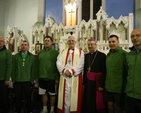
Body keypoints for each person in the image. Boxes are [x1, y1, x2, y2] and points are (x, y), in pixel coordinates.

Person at [56, 35, 84, 113]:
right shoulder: (62, 52)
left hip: (74, 77)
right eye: (69, 41)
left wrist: (71, 71)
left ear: (75, 42)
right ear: (67, 42)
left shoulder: (80, 52)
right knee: (65, 97)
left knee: (73, 97)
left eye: (72, 41)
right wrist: (64, 70)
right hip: (64, 77)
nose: (71, 42)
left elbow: (81, 65)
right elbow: (58, 62)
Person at [82, 38, 106, 113]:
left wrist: (102, 85)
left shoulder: (102, 56)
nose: (90, 46)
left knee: (96, 100)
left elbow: (104, 71)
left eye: (92, 44)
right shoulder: (85, 56)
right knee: (87, 99)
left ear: (95, 45)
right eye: (88, 44)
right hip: (88, 82)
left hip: (97, 82)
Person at [36, 36, 59, 113]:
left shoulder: (56, 53)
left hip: (52, 77)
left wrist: (57, 78)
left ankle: (52, 109)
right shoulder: (40, 53)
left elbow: (58, 66)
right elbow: (37, 65)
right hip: (42, 77)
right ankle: (45, 108)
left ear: (51, 43)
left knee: (52, 94)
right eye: (45, 41)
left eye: (48, 41)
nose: (46, 42)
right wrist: (37, 76)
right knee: (43, 94)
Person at [11, 40, 35, 113]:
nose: (24, 46)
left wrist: (32, 79)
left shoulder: (31, 57)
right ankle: (17, 110)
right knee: (17, 97)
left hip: (27, 81)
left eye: (25, 45)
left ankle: (29, 110)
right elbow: (13, 68)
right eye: (22, 45)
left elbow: (33, 69)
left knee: (28, 97)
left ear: (28, 46)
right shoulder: (16, 56)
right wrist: (13, 79)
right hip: (17, 80)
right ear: (20, 46)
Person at [105, 35, 127, 113]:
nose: (111, 43)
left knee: (121, 109)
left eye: (113, 41)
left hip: (119, 89)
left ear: (118, 42)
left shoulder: (124, 54)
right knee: (110, 107)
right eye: (110, 42)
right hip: (109, 88)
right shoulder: (108, 55)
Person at [125, 29, 141, 113]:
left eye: (138, 35)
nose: (135, 38)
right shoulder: (129, 55)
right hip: (130, 96)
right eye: (132, 36)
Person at [0, 36, 12, 113]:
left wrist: (7, 78)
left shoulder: (7, 52)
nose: (0, 42)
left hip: (3, 79)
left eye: (1, 41)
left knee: (3, 97)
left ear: (4, 43)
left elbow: (9, 66)